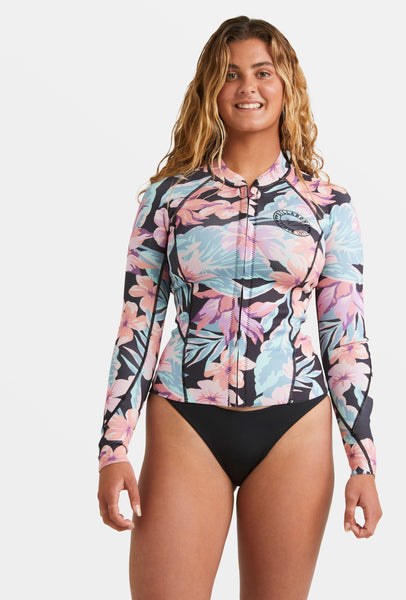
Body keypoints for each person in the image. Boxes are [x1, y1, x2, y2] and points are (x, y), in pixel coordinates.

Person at [97, 15, 382, 599]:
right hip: (185, 422)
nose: (247, 86)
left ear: (286, 85)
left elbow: (345, 336)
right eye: (230, 74)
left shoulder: (328, 206)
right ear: (211, 88)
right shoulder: (170, 199)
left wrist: (363, 463)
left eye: (262, 72)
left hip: (294, 428)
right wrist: (113, 448)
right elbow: (139, 323)